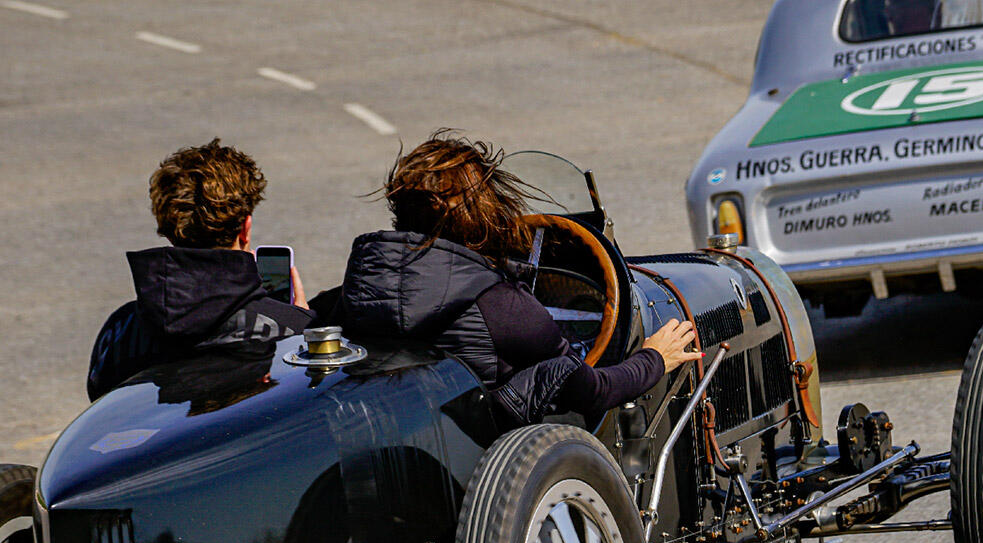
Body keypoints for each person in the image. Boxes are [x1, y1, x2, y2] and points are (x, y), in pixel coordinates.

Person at [335, 131, 699, 424]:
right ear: (484, 213)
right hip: (496, 460)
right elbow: (592, 391)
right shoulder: (501, 305)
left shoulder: (358, 294)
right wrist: (654, 358)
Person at [87, 139, 314, 401]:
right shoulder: (292, 326)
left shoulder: (119, 331)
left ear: (170, 229)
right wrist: (300, 327)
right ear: (245, 227)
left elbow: (102, 401)